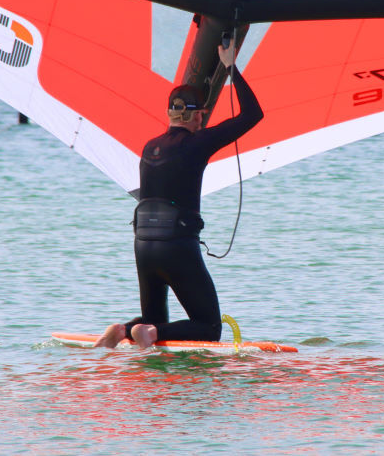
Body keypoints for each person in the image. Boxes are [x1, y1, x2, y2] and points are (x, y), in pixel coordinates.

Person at [94, 41, 263, 348]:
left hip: (143, 246)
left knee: (152, 320)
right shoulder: (198, 143)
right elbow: (253, 114)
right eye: (202, 115)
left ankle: (122, 330)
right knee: (209, 327)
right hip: (177, 247)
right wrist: (230, 67)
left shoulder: (149, 148)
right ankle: (150, 334)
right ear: (197, 116)